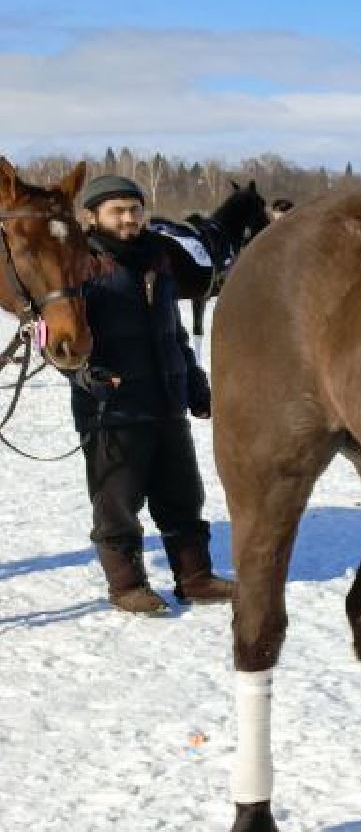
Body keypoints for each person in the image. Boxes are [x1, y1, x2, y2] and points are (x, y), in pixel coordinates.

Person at [69, 174, 233, 615]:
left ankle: (195, 577)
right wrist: (89, 377)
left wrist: (194, 383)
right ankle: (126, 585)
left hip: (166, 397)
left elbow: (172, 329)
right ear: (92, 216)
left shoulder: (157, 258)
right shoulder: (79, 263)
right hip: (112, 405)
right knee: (118, 500)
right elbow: (62, 338)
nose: (128, 218)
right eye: (117, 210)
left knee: (182, 494)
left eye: (135, 208)